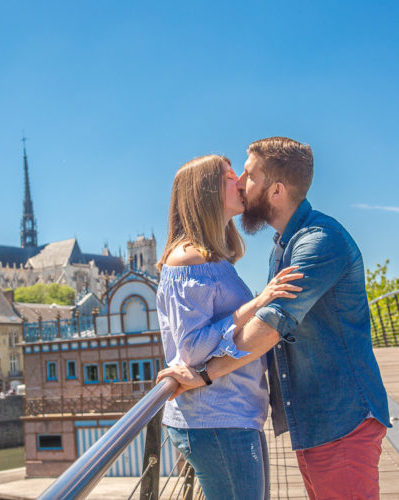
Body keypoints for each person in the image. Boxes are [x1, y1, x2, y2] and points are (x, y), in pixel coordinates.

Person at [158, 137, 391, 500]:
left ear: (277, 190)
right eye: (234, 177)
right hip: (315, 420)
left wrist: (203, 375)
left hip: (340, 416)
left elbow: (270, 327)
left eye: (248, 176)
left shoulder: (318, 241)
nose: (240, 183)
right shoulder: (283, 245)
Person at [156, 154, 304, 500]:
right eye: (228, 176)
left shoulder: (212, 258)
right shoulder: (187, 259)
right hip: (216, 419)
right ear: (206, 191)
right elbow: (191, 348)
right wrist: (254, 305)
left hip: (233, 415)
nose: (240, 182)